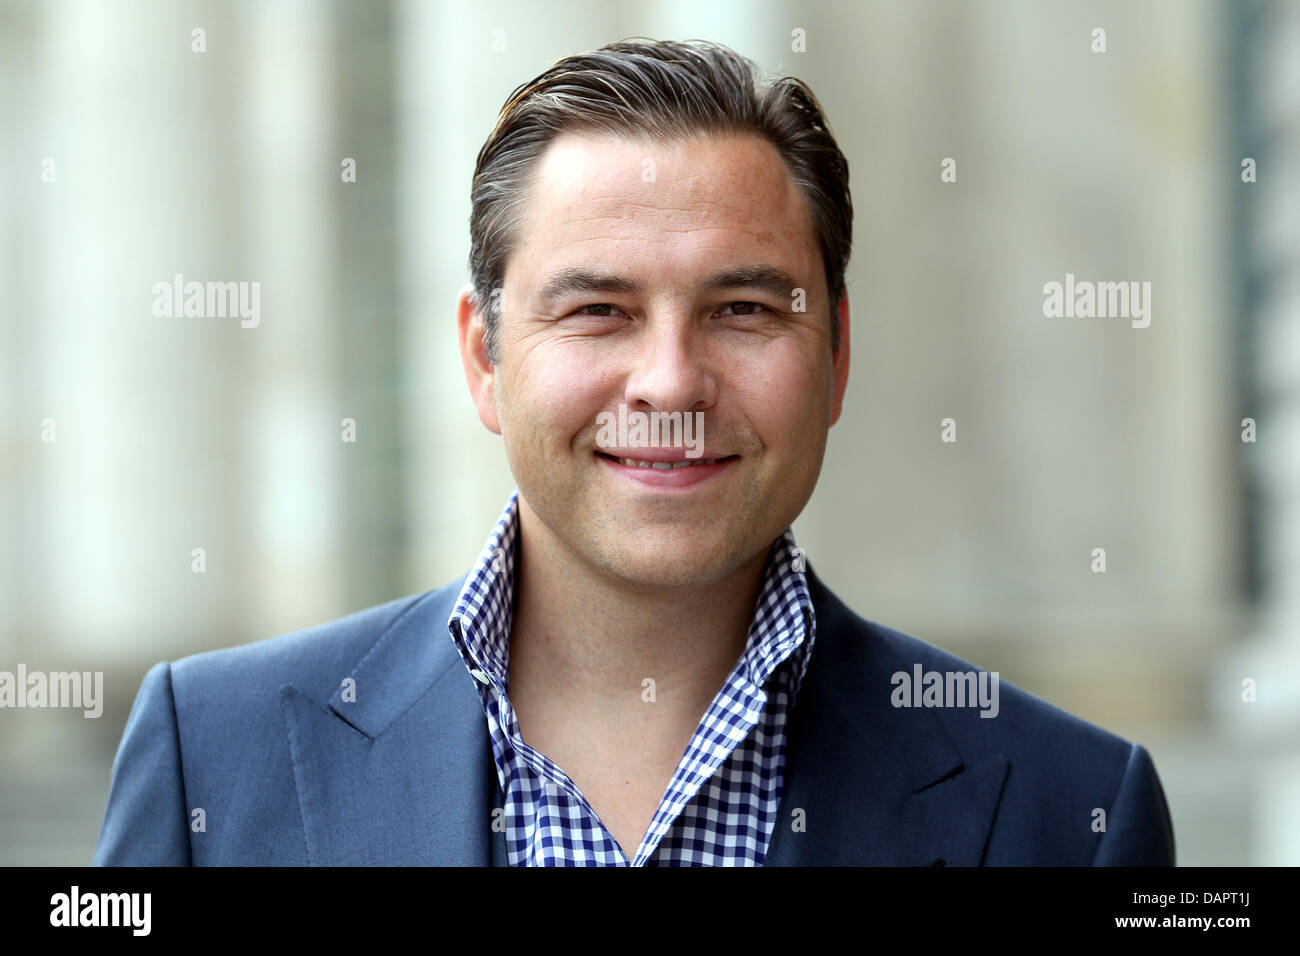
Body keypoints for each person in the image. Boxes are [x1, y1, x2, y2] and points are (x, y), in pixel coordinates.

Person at [93, 38, 1175, 866]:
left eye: (743, 308)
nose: (668, 378)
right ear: (483, 358)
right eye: (599, 309)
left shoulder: (1067, 807)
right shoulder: (213, 757)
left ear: (836, 355)